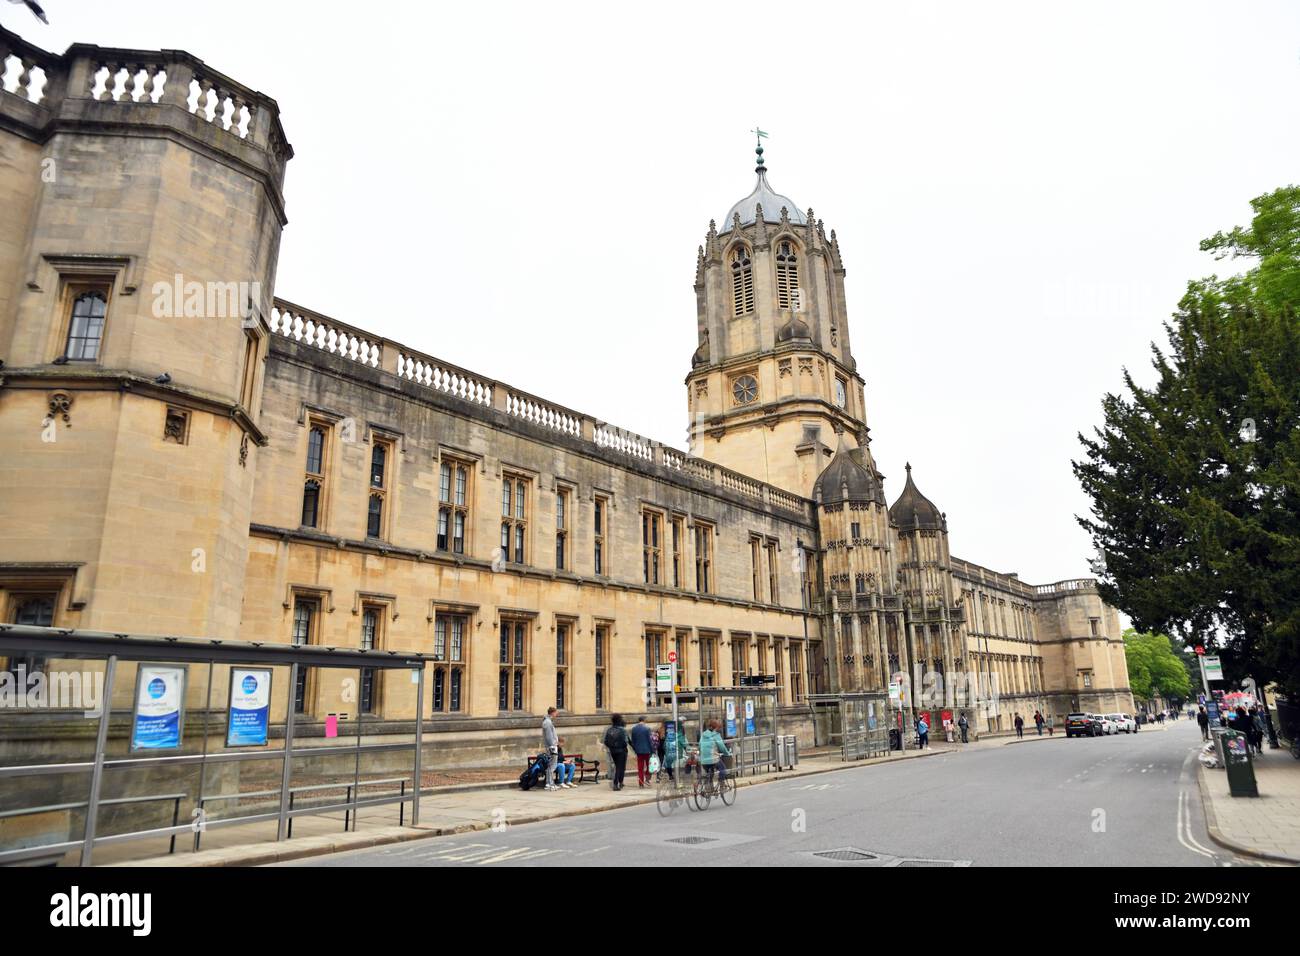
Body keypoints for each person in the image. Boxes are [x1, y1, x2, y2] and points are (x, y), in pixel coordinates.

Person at [698, 719, 731, 788]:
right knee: (723, 769)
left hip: (703, 759)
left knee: (710, 773)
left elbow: (699, 745)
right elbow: (722, 747)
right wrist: (727, 753)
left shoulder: (703, 735)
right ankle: (722, 784)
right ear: (716, 727)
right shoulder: (716, 735)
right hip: (713, 759)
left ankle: (709, 788)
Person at [603, 713, 630, 791]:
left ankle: (620, 782)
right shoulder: (622, 730)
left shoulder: (609, 729)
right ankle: (616, 784)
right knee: (620, 767)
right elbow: (626, 741)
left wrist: (612, 747)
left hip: (613, 751)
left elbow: (605, 741)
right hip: (622, 751)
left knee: (618, 766)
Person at [630, 715, 654, 787]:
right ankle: (647, 779)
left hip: (638, 751)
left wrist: (635, 749)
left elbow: (633, 741)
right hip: (647, 750)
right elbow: (650, 741)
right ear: (644, 721)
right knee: (649, 766)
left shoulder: (634, 729)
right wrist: (652, 750)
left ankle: (641, 783)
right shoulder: (647, 729)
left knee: (640, 767)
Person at [541, 706, 560, 792]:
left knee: (551, 766)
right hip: (551, 747)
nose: (557, 714)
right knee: (552, 766)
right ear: (552, 713)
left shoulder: (548, 721)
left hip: (551, 746)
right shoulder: (548, 722)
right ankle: (550, 783)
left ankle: (549, 783)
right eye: (556, 712)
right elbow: (549, 736)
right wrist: (552, 746)